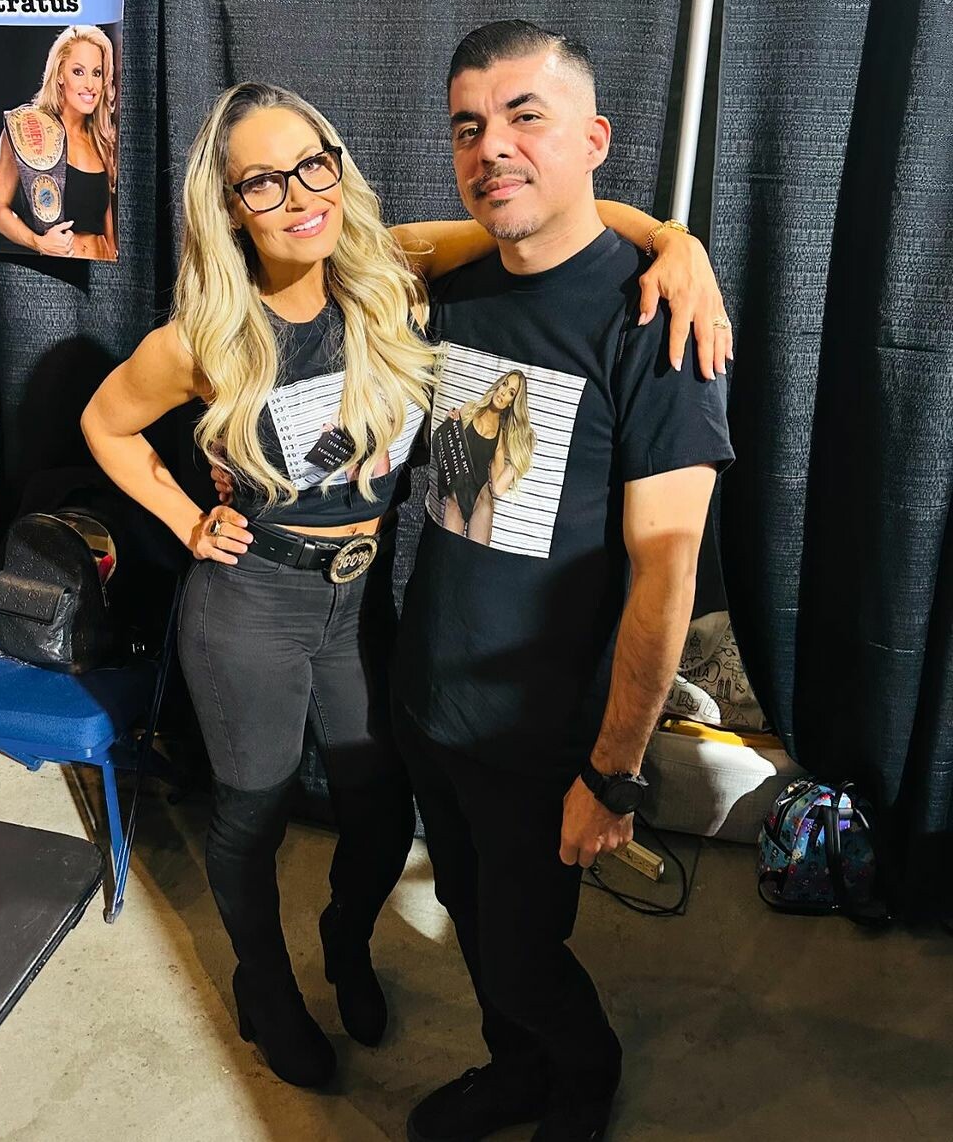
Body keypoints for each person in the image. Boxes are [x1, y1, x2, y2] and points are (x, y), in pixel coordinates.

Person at [83, 80, 729, 1094]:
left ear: (338, 168)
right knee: (251, 814)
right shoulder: (203, 335)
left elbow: (553, 211)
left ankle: (345, 944)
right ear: (230, 205)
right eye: (262, 181)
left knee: (381, 813)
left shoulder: (391, 271)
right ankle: (266, 988)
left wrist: (673, 241)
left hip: (360, 601)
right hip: (252, 604)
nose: (299, 195)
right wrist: (183, 519)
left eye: (313, 165)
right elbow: (105, 423)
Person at [391, 20, 735, 1142]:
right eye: (468, 128)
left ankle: (582, 1079)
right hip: (431, 695)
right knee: (468, 910)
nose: (492, 146)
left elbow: (667, 571)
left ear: (595, 138)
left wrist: (615, 772)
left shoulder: (656, 321)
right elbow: (358, 240)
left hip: (544, 735)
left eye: (525, 117)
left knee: (526, 949)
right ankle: (516, 1070)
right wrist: (666, 225)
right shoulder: (454, 283)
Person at [0, 24, 117, 261]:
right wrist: (38, 242)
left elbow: (106, 215)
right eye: (78, 71)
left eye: (97, 73)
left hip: (103, 269)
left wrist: (113, 255)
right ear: (59, 75)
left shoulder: (102, 139)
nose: (90, 85)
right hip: (58, 269)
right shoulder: (27, 130)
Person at [434, 369, 534, 544]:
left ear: (511, 403)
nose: (503, 392)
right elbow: (446, 450)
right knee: (448, 552)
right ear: (498, 385)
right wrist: (448, 423)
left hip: (481, 500)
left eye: (511, 392)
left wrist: (520, 459)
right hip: (456, 496)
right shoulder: (469, 409)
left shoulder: (500, 437)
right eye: (504, 384)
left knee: (475, 557)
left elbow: (498, 488)